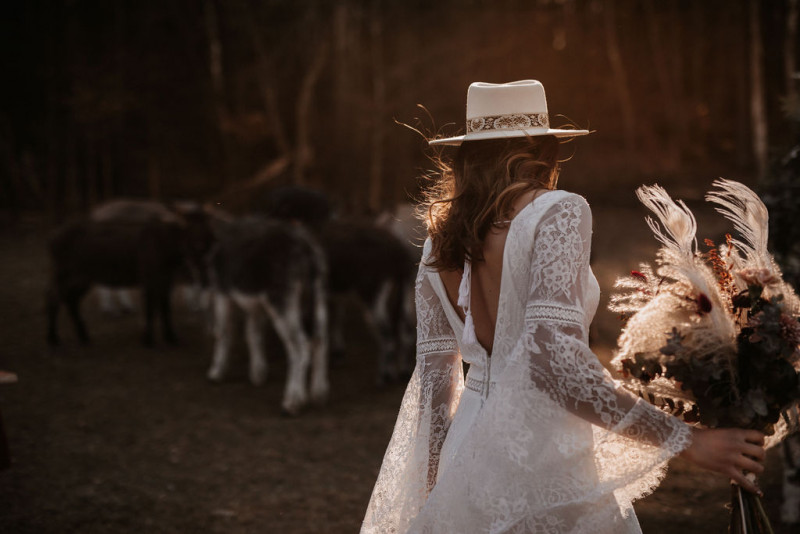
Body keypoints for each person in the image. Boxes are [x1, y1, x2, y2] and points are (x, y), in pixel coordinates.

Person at [361, 80, 767, 533]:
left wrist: (435, 488)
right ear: (544, 149)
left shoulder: (441, 238)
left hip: (466, 446)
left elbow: (437, 383)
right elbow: (556, 362)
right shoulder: (558, 211)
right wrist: (687, 440)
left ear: (468, 155)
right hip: (542, 455)